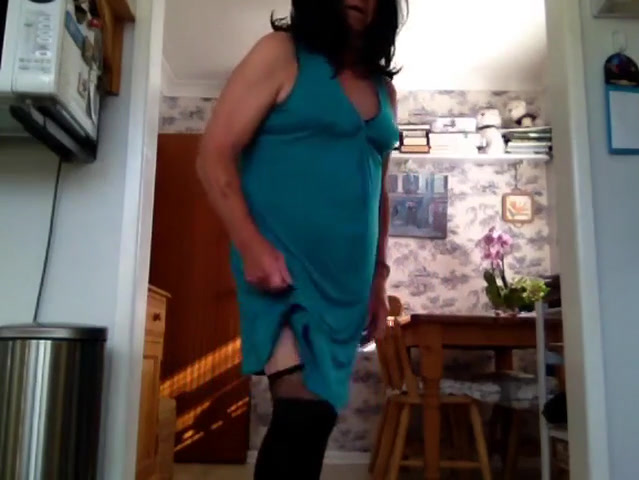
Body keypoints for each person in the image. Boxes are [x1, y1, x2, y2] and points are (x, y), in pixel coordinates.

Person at [197, 1, 404, 478]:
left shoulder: (385, 90)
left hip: (348, 284)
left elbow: (379, 191)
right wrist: (250, 245)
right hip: (284, 270)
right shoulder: (281, 53)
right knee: (301, 416)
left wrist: (378, 280)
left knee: (317, 420)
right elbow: (213, 155)